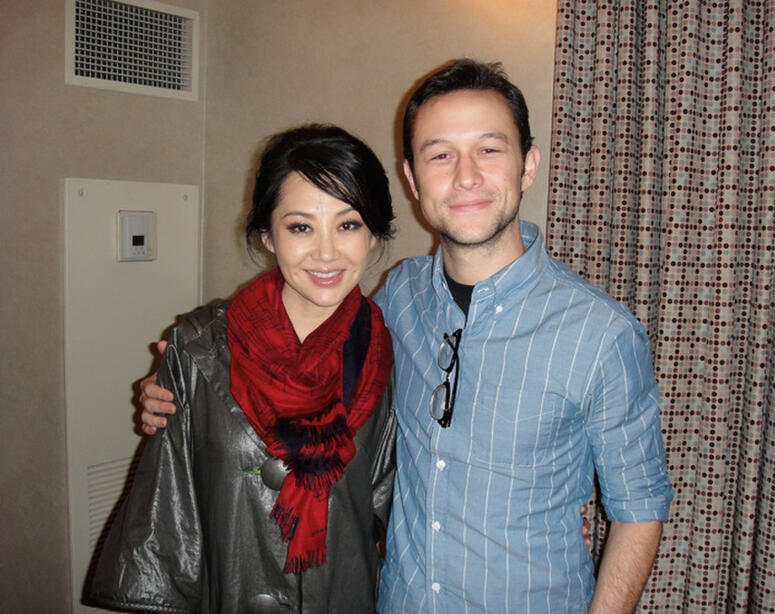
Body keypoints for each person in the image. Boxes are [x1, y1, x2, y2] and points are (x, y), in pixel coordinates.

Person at [141, 60, 673, 613]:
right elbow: (304, 345)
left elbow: (640, 509)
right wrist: (185, 375)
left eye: (489, 149)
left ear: (528, 164)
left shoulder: (600, 334)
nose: (466, 176)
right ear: (414, 179)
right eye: (440, 154)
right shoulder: (398, 297)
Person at [89, 124, 397, 614]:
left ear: (374, 234)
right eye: (300, 227)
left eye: (348, 224)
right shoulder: (200, 348)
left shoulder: (386, 352)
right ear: (266, 235)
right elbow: (166, 522)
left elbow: (392, 502)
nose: (325, 252)